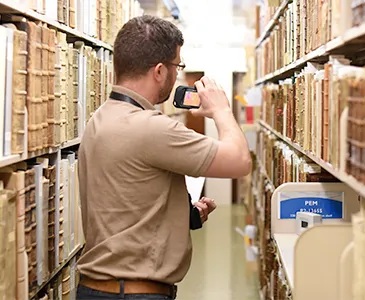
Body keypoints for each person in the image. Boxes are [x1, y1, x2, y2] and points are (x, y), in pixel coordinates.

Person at [76, 15, 252, 300]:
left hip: (97, 289)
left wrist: (183, 215)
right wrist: (221, 110)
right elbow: (240, 161)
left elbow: (125, 203)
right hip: (134, 294)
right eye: (177, 66)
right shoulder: (151, 128)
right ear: (159, 71)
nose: (176, 73)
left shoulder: (99, 119)